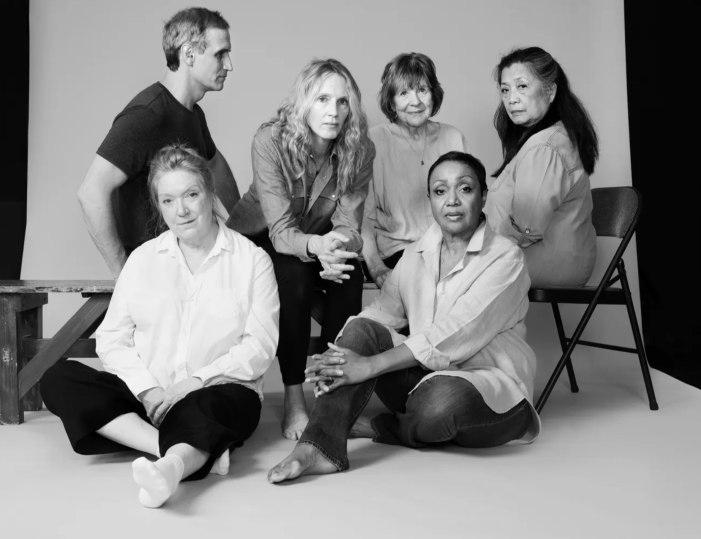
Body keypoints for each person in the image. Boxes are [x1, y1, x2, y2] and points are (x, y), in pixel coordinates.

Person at [268, 152, 540, 483]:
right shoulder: (417, 252)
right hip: (424, 376)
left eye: (465, 189)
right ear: (430, 200)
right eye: (440, 191)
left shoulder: (506, 257)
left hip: (488, 390)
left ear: (483, 195)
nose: (451, 201)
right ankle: (319, 446)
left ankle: (382, 426)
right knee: (362, 328)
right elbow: (380, 313)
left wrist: (368, 366)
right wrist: (339, 353)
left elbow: (455, 332)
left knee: (439, 405)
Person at [41, 145, 278, 508]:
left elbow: (259, 347)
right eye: (168, 200)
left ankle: (170, 468)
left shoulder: (252, 261)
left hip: (217, 391)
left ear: (210, 193)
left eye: (191, 195)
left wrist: (196, 381)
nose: (180, 210)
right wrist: (149, 391)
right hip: (150, 399)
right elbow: (112, 338)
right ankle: (177, 449)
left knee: (214, 406)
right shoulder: (142, 260)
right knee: (59, 378)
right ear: (159, 205)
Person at [227, 59, 375, 440]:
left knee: (350, 275)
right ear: (303, 102)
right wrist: (318, 248)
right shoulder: (270, 141)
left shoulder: (360, 149)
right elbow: (279, 233)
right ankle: (295, 398)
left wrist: (338, 249)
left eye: (343, 102)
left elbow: (349, 224)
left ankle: (332, 400)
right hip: (262, 240)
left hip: (321, 242)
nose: (334, 111)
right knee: (292, 276)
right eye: (323, 98)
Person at [77, 7, 241, 279]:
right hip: (156, 273)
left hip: (192, 265)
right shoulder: (148, 114)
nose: (229, 65)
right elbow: (90, 192)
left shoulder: (192, 113)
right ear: (189, 54)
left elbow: (214, 164)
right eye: (220, 54)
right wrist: (124, 276)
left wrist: (240, 230)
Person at [484, 46, 599, 287]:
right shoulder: (547, 138)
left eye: (522, 86)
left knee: (449, 274)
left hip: (549, 261)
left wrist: (482, 252)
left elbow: (527, 229)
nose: (511, 98)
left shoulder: (543, 147)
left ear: (550, 90)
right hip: (560, 259)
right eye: (505, 90)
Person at [362, 52, 469, 288]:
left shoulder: (453, 138)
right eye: (404, 93)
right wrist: (376, 268)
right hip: (398, 252)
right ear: (391, 102)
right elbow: (363, 217)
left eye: (422, 90)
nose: (416, 101)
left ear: (434, 95)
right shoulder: (374, 142)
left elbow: (470, 208)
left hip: (450, 252)